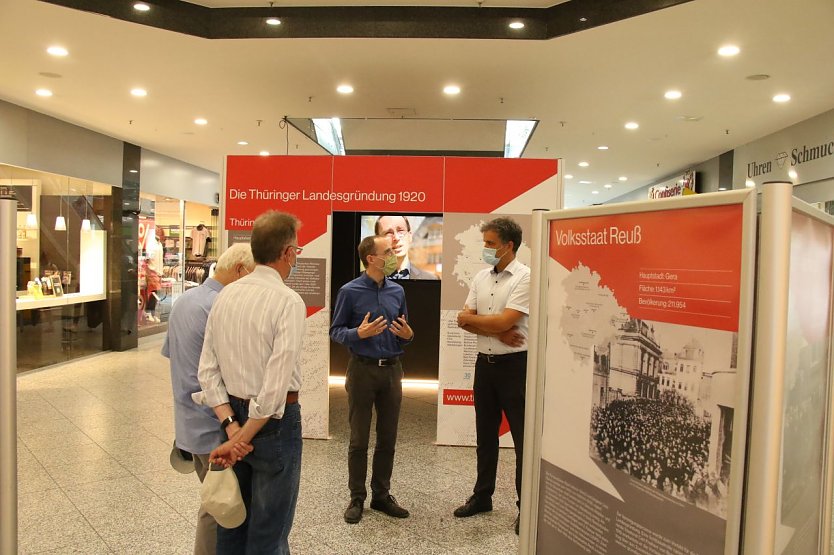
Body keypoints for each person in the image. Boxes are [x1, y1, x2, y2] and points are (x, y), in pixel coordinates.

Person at [193, 211, 305, 555]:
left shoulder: (225, 294)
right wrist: (243, 436)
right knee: (269, 531)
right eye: (296, 250)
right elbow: (275, 386)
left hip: (233, 417)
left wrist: (231, 429)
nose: (296, 256)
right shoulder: (288, 301)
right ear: (286, 253)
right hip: (272, 424)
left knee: (233, 523)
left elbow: (207, 371)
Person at [162, 243, 255, 555]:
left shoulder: (184, 302)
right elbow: (228, 372)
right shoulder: (221, 306)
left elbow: (172, 356)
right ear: (240, 270)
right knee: (220, 505)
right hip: (215, 424)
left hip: (189, 422)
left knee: (216, 498)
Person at [330, 234, 415, 524]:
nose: (393, 255)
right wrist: (358, 334)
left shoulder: (397, 291)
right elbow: (336, 330)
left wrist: (409, 335)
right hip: (361, 370)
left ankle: (381, 495)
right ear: (371, 258)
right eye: (387, 251)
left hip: (392, 370)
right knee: (358, 439)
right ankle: (357, 498)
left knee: (388, 437)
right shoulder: (349, 291)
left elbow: (405, 329)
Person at [453, 217, 529, 535]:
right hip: (485, 366)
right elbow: (461, 319)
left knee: (522, 441)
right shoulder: (482, 277)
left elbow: (504, 321)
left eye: (490, 244)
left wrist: (490, 325)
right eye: (484, 243)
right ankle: (482, 496)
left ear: (508, 245)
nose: (485, 249)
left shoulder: (526, 277)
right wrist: (498, 331)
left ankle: (525, 507)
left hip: (516, 368)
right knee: (485, 436)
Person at [374, 215, 439, 280]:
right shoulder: (368, 280)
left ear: (410, 236)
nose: (396, 238)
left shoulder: (430, 278)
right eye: (388, 233)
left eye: (401, 231)